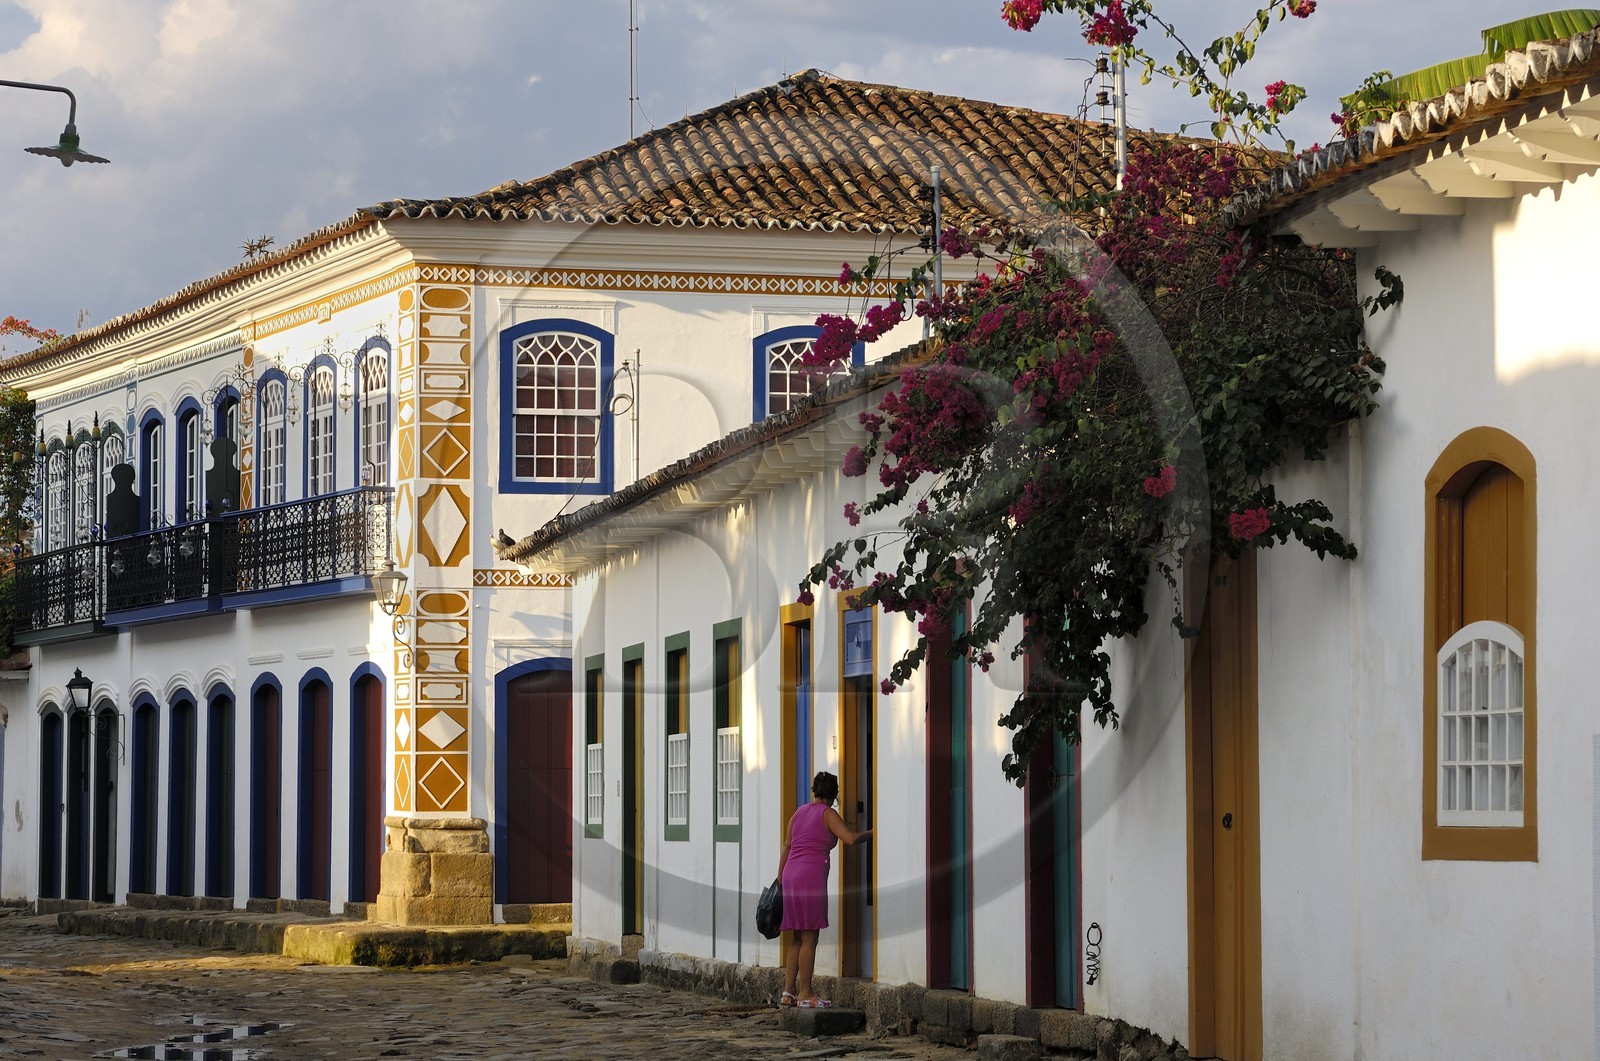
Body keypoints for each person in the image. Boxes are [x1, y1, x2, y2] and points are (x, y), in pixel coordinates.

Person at [777, 770, 871, 1009]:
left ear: (814, 791)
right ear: (835, 793)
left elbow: (787, 846)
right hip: (810, 876)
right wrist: (874, 833)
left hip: (789, 875)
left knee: (797, 936)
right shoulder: (828, 814)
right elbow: (849, 838)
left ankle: (788, 992)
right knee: (811, 936)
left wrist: (780, 880)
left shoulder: (799, 812)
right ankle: (806, 994)